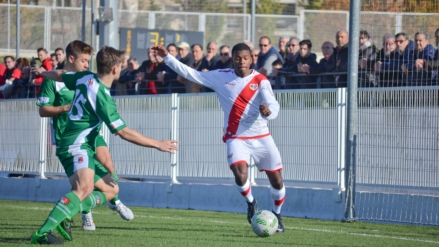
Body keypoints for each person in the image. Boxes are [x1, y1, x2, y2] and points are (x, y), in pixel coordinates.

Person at [30, 45, 179, 244]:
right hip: (76, 145)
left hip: (80, 144)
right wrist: (157, 144)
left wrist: (43, 72)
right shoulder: (102, 96)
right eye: (122, 66)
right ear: (115, 69)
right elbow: (123, 132)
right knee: (84, 188)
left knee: (112, 189)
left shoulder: (85, 78)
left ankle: (68, 212)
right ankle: (42, 233)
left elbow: (60, 74)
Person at [152, 43, 286, 232]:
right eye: (237, 58)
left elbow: (274, 106)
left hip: (262, 137)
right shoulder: (221, 76)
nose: (241, 61)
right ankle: (251, 202)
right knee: (240, 175)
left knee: (277, 181)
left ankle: (277, 216)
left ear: (251, 59)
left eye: (245, 58)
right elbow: (191, 74)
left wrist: (268, 112)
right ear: (233, 59)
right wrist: (167, 57)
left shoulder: (261, 80)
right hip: (236, 137)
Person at [35, 40, 135, 235]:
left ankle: (114, 200)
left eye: (89, 61)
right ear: (71, 59)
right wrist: (64, 107)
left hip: (91, 133)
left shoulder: (87, 77)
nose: (87, 65)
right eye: (83, 60)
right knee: (83, 184)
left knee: (107, 164)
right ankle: (83, 212)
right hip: (70, 135)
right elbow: (43, 110)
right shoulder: (57, 81)